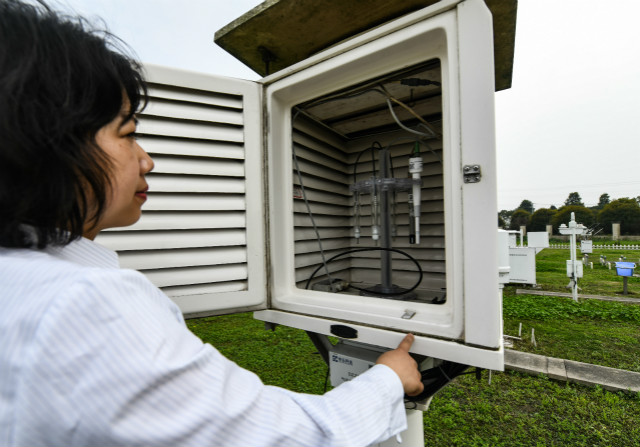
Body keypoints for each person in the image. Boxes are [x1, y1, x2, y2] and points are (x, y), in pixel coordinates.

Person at [0, 1, 424, 446]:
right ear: (47, 143)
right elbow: (292, 438)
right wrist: (389, 379)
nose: (147, 158)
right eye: (127, 133)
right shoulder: (85, 305)